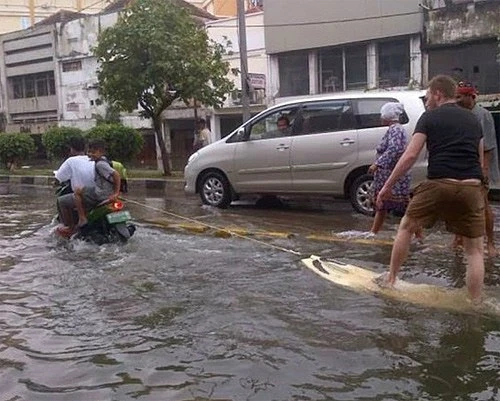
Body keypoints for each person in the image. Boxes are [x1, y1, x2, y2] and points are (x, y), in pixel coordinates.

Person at [375, 75, 485, 303]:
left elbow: (411, 155)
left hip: (439, 183)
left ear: (437, 94)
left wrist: (387, 186)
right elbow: (479, 157)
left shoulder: (429, 117)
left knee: (406, 226)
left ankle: (392, 278)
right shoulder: (474, 120)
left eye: (427, 97)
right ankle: (475, 302)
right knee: (474, 250)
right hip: (472, 186)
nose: (426, 101)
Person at [453, 82, 500, 256]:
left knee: (483, 205)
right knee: (459, 204)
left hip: (478, 167)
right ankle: (457, 239)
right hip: (460, 165)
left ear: (471, 97)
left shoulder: (483, 115)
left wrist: (484, 170)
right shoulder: (458, 115)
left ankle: (490, 243)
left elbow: (488, 147)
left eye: (460, 97)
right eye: (456, 96)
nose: (457, 100)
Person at [368, 102, 411, 234]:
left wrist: (378, 163)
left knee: (405, 207)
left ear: (387, 116)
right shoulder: (395, 129)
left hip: (393, 176)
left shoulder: (396, 130)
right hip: (389, 175)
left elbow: (394, 148)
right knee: (382, 206)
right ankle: (373, 232)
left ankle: (418, 235)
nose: (380, 118)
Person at [73, 139, 121, 228]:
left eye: (93, 152)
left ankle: (82, 218)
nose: (90, 154)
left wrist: (116, 193)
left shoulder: (100, 164)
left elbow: (116, 175)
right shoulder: (104, 160)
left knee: (77, 191)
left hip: (101, 194)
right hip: (108, 193)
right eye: (89, 152)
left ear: (101, 152)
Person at [55, 136, 95, 233]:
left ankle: (70, 228)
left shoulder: (71, 161)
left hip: (85, 196)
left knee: (61, 201)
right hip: (98, 193)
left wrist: (55, 181)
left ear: (71, 149)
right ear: (85, 148)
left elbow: (59, 177)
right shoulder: (93, 159)